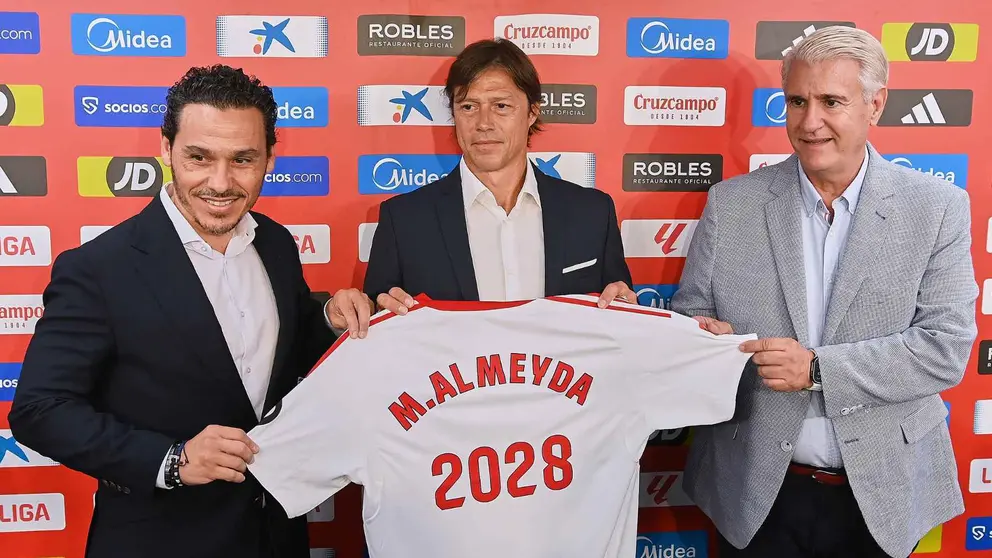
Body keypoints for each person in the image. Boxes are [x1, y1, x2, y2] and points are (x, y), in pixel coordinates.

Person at [671, 26, 978, 558]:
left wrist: (816, 369)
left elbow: (944, 349)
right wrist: (704, 337)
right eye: (796, 101)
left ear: (874, 105)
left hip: (882, 495)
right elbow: (692, 314)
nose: (809, 122)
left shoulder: (938, 207)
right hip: (755, 492)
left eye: (831, 101)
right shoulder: (731, 204)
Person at [8, 65, 338, 558]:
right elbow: (39, 411)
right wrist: (172, 460)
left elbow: (283, 357)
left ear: (270, 155)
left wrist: (331, 318)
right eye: (198, 157)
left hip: (275, 535)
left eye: (243, 159)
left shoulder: (276, 243)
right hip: (159, 540)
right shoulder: (99, 268)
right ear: (166, 149)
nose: (220, 183)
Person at [327, 38, 634, 335]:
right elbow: (374, 332)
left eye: (501, 106)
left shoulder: (592, 213)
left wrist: (627, 311)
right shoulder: (404, 220)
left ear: (532, 113)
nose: (483, 123)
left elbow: (620, 317)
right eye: (468, 107)